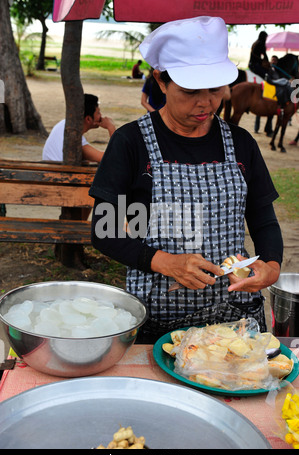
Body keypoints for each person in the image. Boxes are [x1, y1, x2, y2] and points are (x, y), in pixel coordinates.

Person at [89, 17, 283, 343]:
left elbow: (263, 221)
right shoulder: (131, 142)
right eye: (191, 90)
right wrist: (167, 263)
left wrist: (271, 267)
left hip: (234, 319)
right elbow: (103, 231)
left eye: (215, 89)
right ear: (160, 82)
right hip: (157, 318)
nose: (205, 102)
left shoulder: (241, 143)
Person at [42, 94, 116, 163]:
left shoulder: (64, 124)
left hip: (53, 170)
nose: (101, 116)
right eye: (98, 113)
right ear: (88, 119)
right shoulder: (74, 136)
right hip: (60, 174)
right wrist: (111, 127)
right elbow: (112, 158)